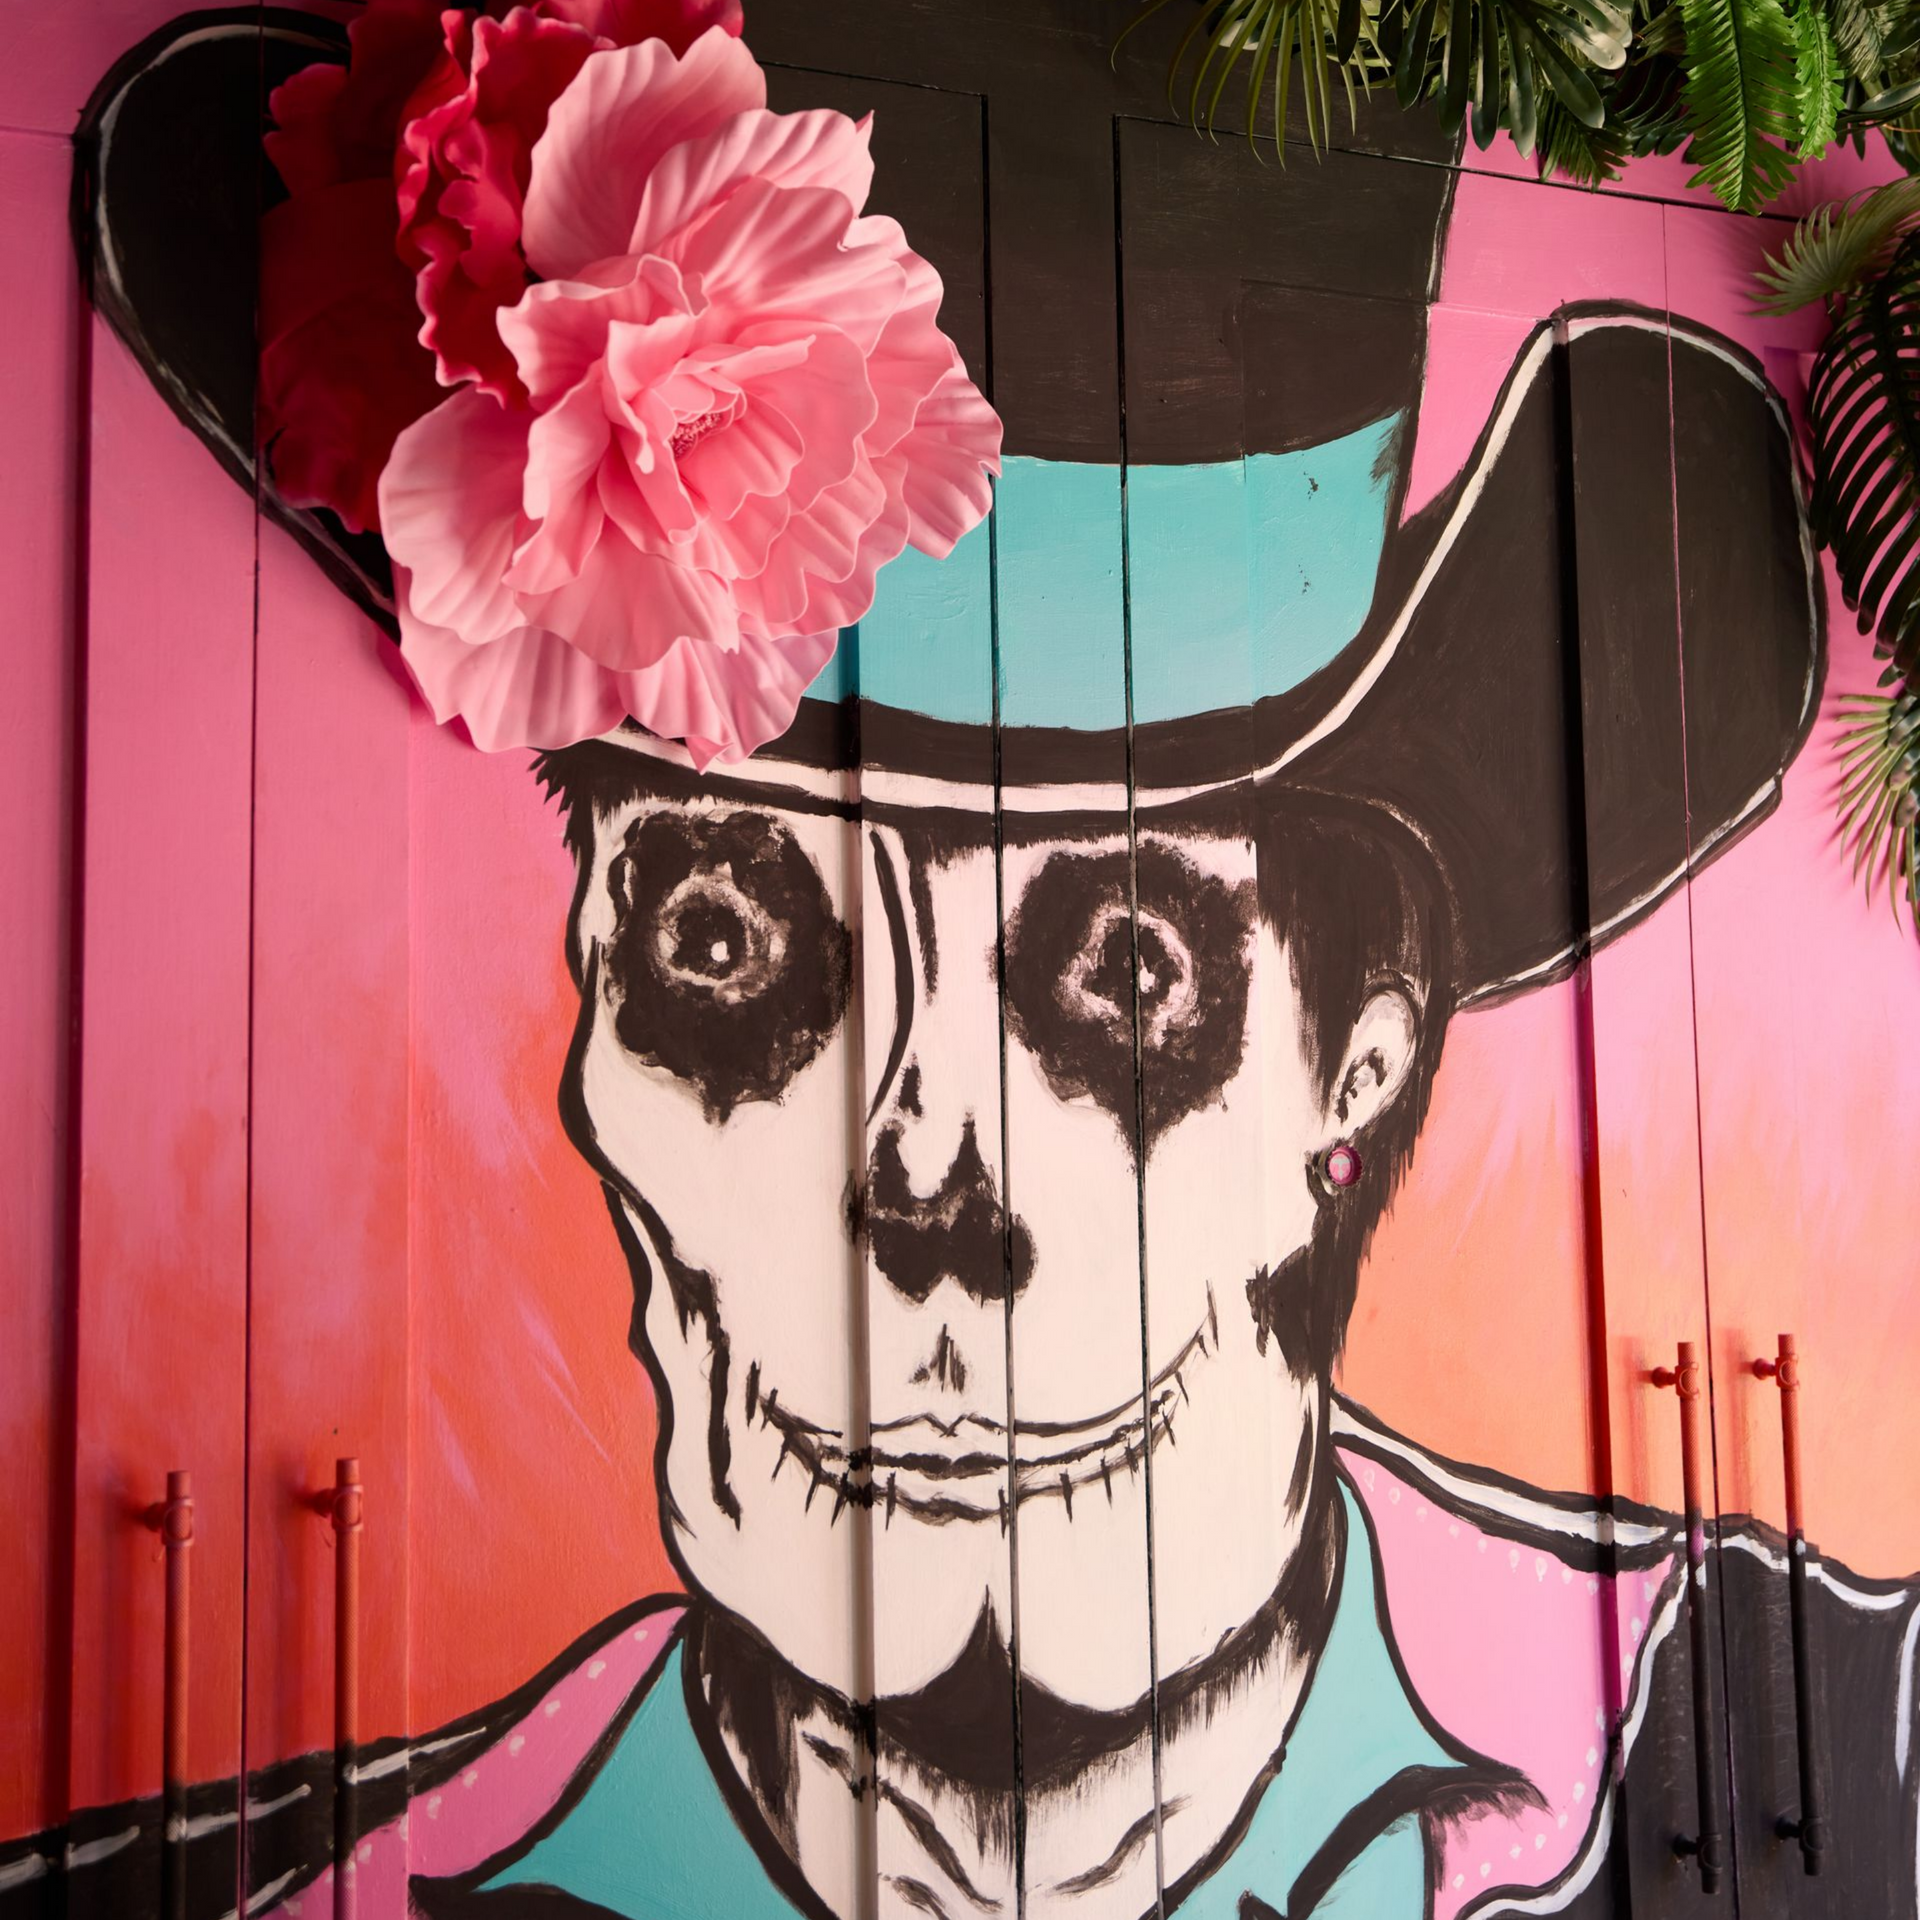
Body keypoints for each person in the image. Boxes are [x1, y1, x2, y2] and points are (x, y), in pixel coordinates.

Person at [35, 6, 1920, 1918]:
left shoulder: (1823, 1708)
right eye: (727, 942)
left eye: (1123, 973)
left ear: (1351, 1054)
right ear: (594, 1018)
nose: (931, 1191)